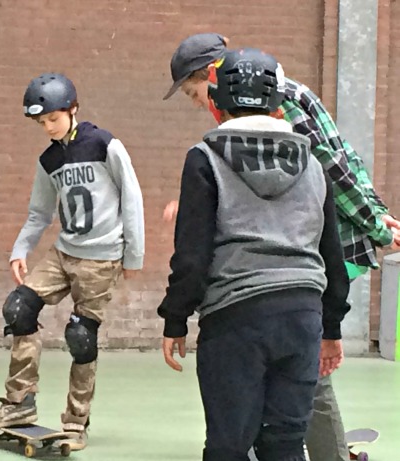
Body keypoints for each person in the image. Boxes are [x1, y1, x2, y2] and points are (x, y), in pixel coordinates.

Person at [162, 32, 400, 461]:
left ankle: (330, 454)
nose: (198, 106)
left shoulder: (206, 156)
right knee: (286, 442)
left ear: (217, 94)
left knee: (229, 443)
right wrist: (331, 324)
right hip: (304, 307)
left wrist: (176, 317)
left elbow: (193, 255)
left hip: (237, 313)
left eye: (197, 96)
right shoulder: (309, 160)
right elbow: (332, 230)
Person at [0, 73, 145, 450]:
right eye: (41, 123)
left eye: (53, 119)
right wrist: (20, 249)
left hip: (101, 258)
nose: (48, 128)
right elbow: (39, 213)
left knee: (81, 336)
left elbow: (131, 197)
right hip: (63, 253)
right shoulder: (49, 159)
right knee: (19, 307)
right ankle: (20, 402)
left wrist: (133, 254)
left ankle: (75, 421)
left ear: (73, 110)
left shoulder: (104, 144)